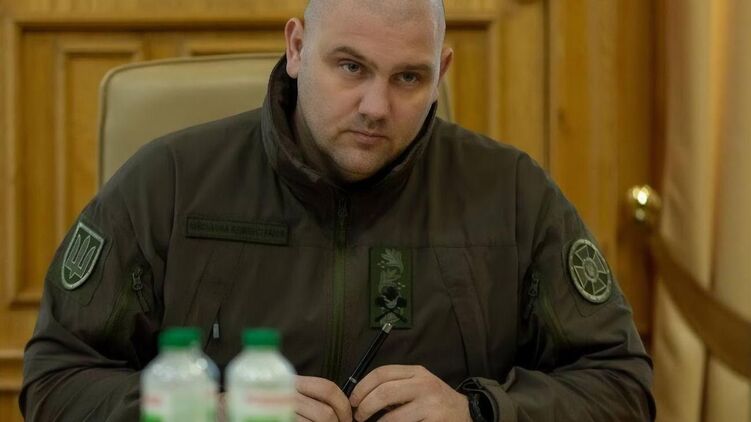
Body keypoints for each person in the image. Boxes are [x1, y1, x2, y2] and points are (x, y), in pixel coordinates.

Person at [20, 0, 655, 420]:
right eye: (351, 67)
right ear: (297, 48)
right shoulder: (171, 181)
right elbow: (56, 380)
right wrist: (211, 411)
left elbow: (621, 384)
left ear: (442, 70)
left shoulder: (511, 193)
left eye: (409, 78)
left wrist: (479, 412)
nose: (376, 106)